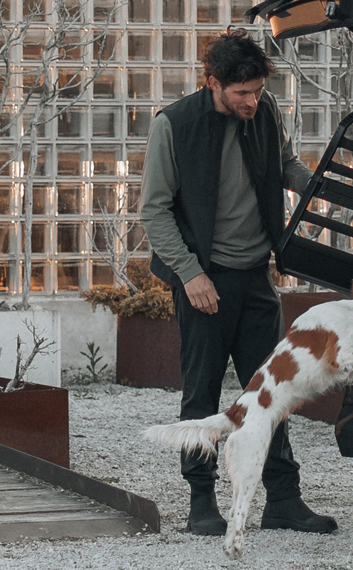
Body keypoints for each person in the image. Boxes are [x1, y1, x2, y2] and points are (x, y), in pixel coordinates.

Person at [139, 28, 329, 536]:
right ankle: (202, 503)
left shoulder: (264, 113)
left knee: (272, 392)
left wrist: (322, 185)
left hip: (256, 274)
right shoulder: (173, 125)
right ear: (213, 83)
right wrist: (190, 274)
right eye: (242, 93)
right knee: (201, 394)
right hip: (204, 279)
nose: (252, 101)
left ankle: (283, 501)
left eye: (258, 91)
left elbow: (283, 164)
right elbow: (153, 211)